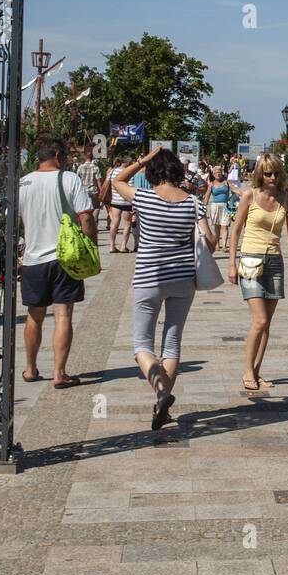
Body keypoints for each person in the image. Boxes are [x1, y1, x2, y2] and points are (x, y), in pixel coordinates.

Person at [114, 147, 216, 429]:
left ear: (152, 172)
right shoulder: (194, 203)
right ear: (178, 171)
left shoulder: (144, 197)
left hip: (149, 278)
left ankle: (161, 393)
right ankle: (164, 403)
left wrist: (141, 160)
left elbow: (117, 181)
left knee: (141, 345)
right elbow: (211, 240)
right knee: (172, 343)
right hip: (183, 280)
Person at [17, 136, 97, 389]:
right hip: (65, 258)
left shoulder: (23, 182)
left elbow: (13, 218)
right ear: (59, 156)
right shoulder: (69, 179)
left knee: (34, 315)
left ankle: (30, 369)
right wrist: (91, 246)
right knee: (63, 314)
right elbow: (85, 216)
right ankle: (59, 373)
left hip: (32, 259)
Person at [229, 153, 288, 392]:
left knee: (267, 323)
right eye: (267, 173)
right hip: (250, 260)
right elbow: (236, 230)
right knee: (259, 320)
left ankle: (257, 371)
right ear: (260, 174)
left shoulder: (286, 199)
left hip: (274, 261)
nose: (272, 177)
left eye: (276, 173)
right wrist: (231, 263)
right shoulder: (249, 196)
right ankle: (247, 371)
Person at [206, 165, 239, 251]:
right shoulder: (211, 184)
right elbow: (207, 196)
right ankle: (217, 244)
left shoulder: (227, 182)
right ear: (213, 174)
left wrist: (244, 193)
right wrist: (203, 206)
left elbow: (234, 190)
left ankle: (224, 245)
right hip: (215, 206)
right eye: (216, 172)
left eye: (219, 172)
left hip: (226, 206)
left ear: (222, 173)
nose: (218, 174)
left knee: (225, 226)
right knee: (217, 226)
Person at [103, 156, 132, 249]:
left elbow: (109, 183)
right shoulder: (129, 171)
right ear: (127, 163)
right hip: (127, 201)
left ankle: (112, 245)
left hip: (115, 200)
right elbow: (131, 186)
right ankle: (123, 246)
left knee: (115, 222)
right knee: (127, 223)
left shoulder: (113, 171)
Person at [76, 152, 102, 228]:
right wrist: (101, 191)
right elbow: (98, 180)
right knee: (96, 207)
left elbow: (77, 180)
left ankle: (84, 225)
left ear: (85, 157)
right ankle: (94, 222)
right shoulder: (95, 167)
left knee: (84, 209)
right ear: (92, 157)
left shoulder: (80, 167)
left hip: (83, 191)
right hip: (93, 191)